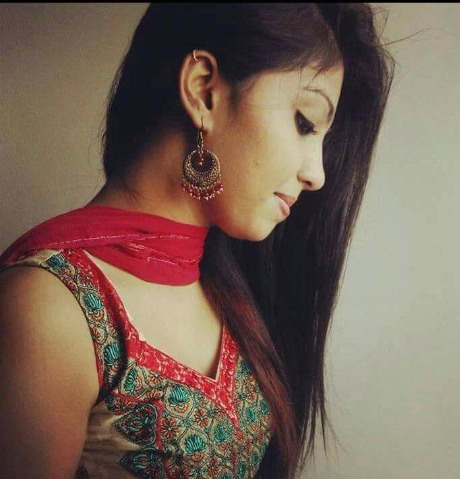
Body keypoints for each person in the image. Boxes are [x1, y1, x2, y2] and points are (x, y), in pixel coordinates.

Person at [0, 3, 395, 479]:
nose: (317, 174)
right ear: (204, 90)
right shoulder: (49, 306)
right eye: (305, 122)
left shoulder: (227, 280)